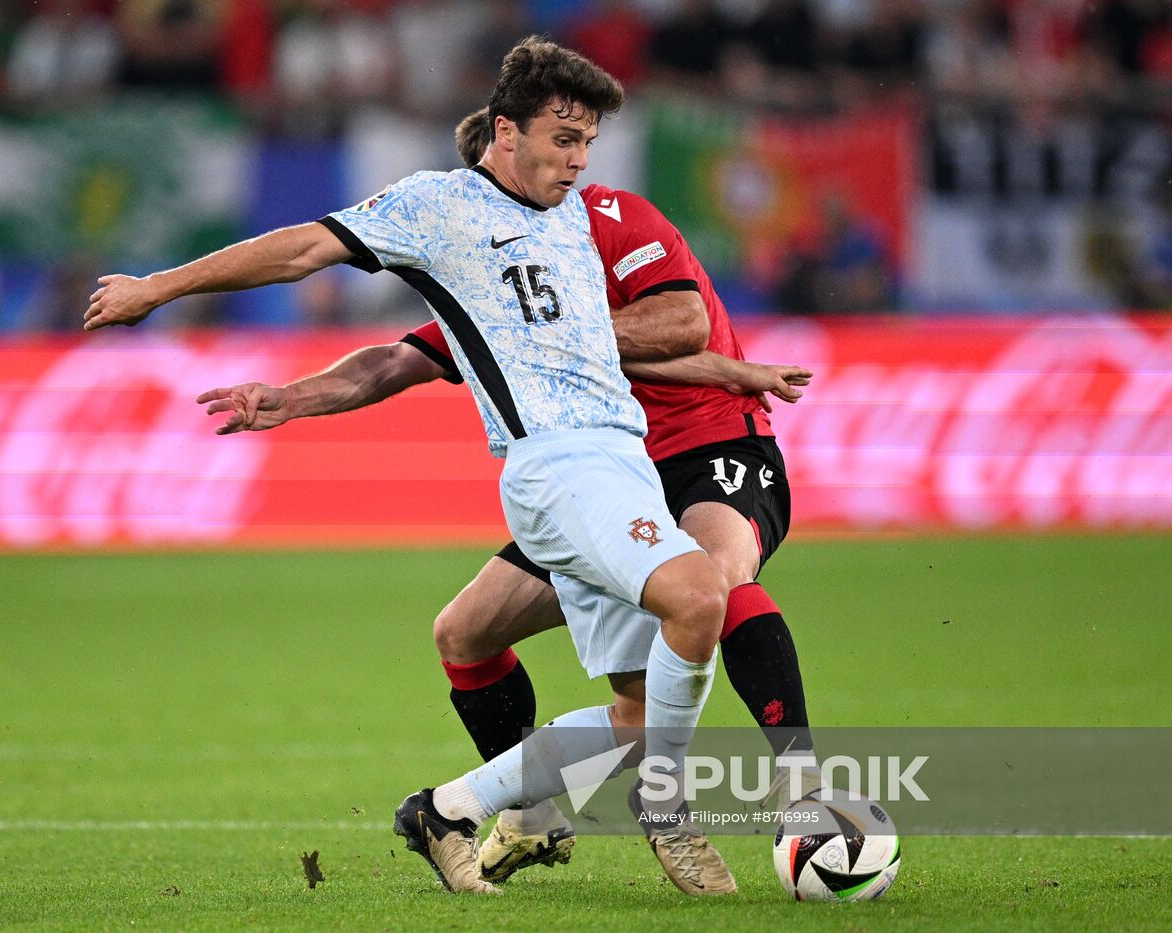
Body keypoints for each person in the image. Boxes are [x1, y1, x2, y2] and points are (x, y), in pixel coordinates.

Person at [88, 37, 738, 896]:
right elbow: (300, 251)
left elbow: (600, 345)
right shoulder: (439, 206)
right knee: (700, 598)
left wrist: (742, 373)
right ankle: (668, 807)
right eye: (562, 140)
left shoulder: (574, 218)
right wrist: (157, 288)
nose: (579, 161)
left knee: (635, 716)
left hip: (620, 461)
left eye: (588, 143)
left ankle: (445, 810)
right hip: (557, 466)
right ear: (505, 132)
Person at [200, 107, 820, 890]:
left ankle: (802, 788)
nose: (573, 165)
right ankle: (533, 808)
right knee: (465, 633)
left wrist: (552, 332)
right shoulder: (494, 276)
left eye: (577, 148)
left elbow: (682, 323)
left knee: (711, 580)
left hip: (709, 447)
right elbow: (394, 362)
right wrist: (290, 397)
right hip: (597, 477)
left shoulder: (612, 217)